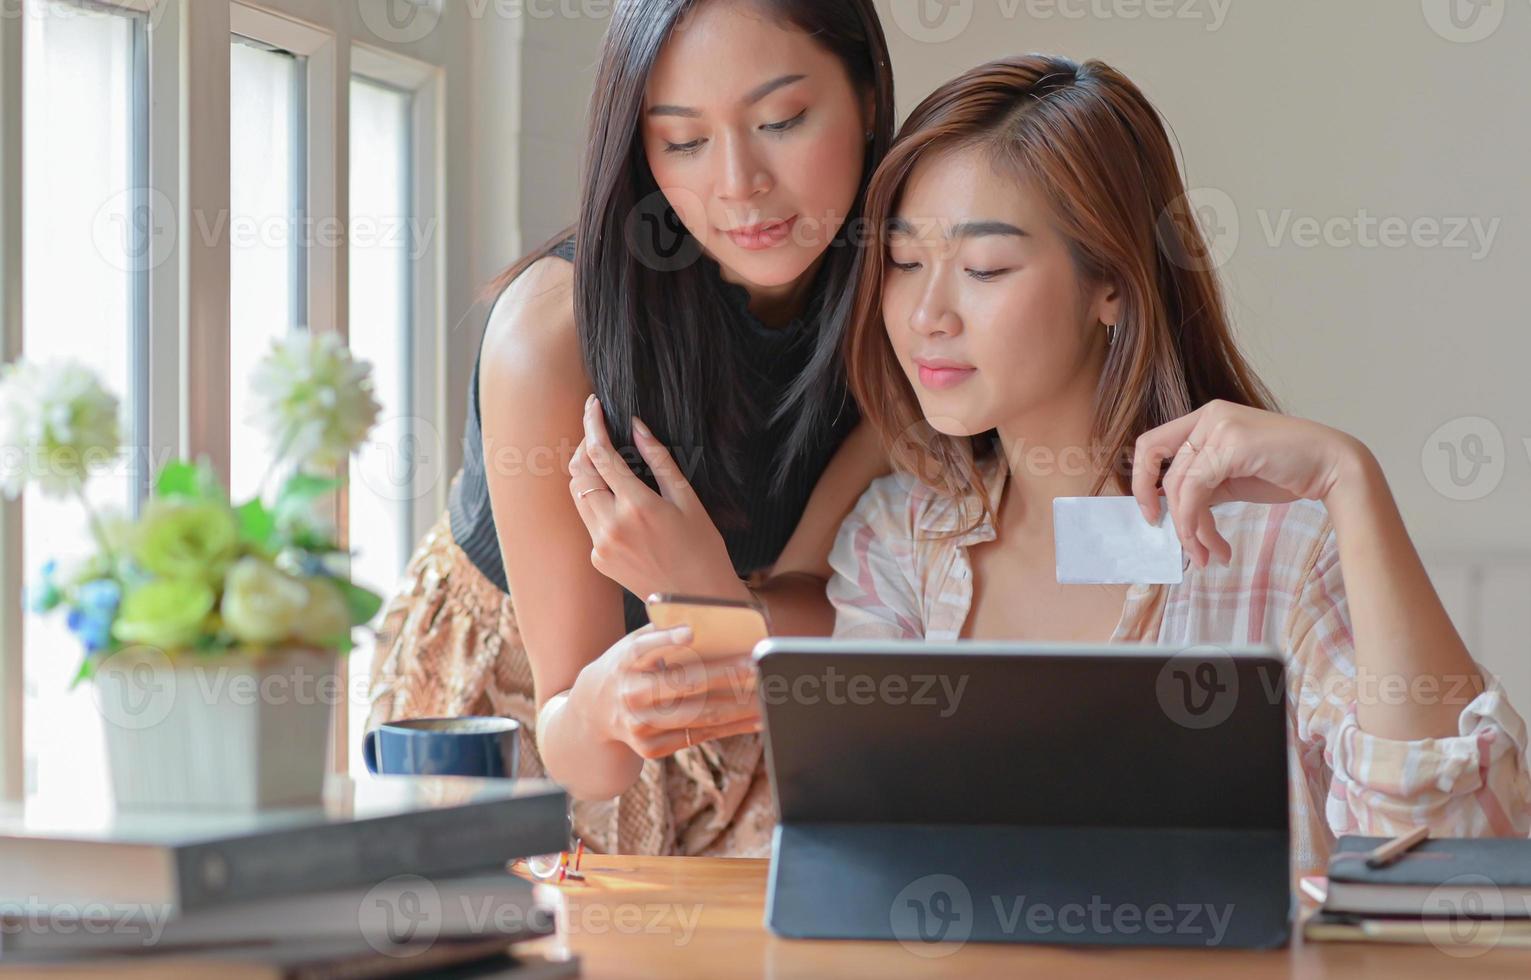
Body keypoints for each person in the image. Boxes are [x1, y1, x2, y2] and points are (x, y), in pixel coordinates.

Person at [827, 53, 1531, 882]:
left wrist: (1350, 479)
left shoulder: (1284, 547)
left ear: (1113, 286)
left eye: (984, 269)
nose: (924, 314)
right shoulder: (896, 541)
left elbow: (1456, 860)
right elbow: (858, 853)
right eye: (904, 263)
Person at [365, 0, 896, 856]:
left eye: (782, 120)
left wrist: (707, 594)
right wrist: (681, 642)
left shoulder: (904, 304)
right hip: (526, 707)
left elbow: (829, 609)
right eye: (683, 140)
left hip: (745, 671)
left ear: (868, 97)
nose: (737, 183)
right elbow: (578, 740)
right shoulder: (551, 335)